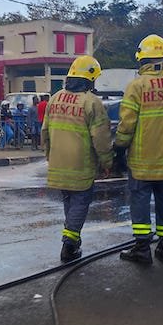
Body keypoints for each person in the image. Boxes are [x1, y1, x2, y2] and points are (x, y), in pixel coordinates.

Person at [114, 34, 163, 264]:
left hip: (142, 160)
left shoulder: (136, 86)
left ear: (142, 60)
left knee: (140, 201)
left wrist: (119, 149)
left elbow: (127, 124)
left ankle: (141, 248)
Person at [42, 56, 113, 262]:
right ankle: (69, 243)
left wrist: (50, 157)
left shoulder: (54, 99)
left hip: (58, 163)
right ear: (90, 79)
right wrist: (107, 162)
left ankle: (72, 237)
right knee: (80, 202)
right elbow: (101, 138)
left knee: (69, 202)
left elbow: (44, 132)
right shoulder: (92, 102)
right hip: (81, 165)